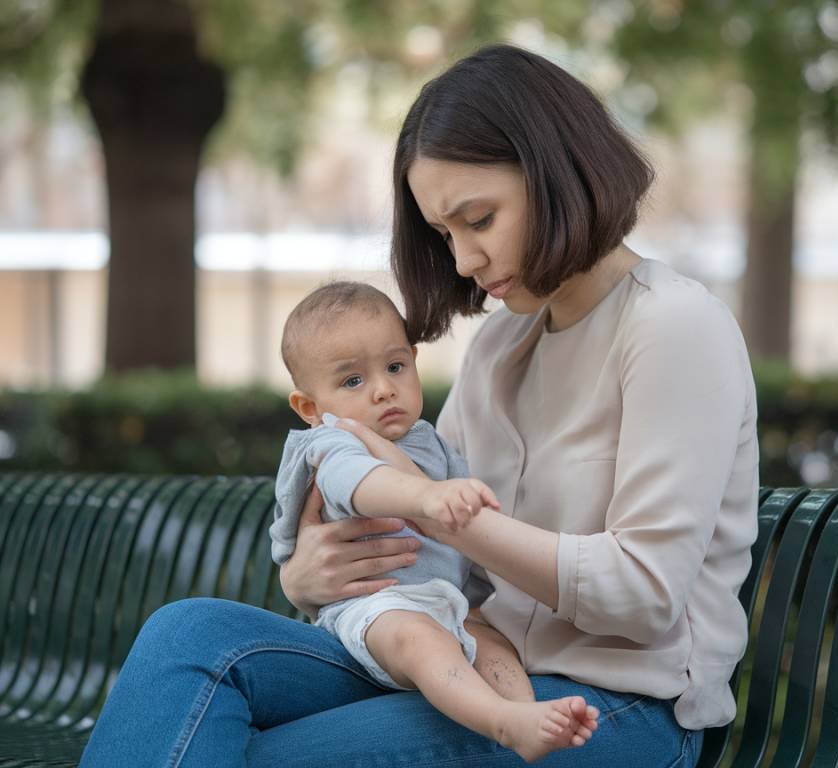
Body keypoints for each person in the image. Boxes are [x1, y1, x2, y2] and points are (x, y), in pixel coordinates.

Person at [80, 43, 758, 768]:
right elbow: (426, 527)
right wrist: (307, 576)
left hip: (617, 711)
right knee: (188, 639)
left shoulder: (672, 328)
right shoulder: (504, 345)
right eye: (444, 234)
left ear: (558, 174)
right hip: (470, 665)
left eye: (480, 219)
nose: (464, 261)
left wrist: (446, 514)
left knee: (247, 755)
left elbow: (644, 595)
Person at [270, 280, 599, 761]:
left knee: (487, 639)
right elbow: (356, 483)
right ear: (310, 408)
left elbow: (474, 534)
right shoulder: (332, 442)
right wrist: (426, 496)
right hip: (376, 610)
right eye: (353, 381)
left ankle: (524, 711)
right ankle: (501, 725)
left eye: (395, 367)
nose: (384, 390)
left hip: (449, 604)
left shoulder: (431, 442)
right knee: (420, 640)